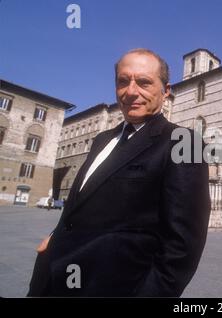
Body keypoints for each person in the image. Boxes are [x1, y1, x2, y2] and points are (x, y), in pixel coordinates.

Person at [27, 48, 211, 297]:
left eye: (144, 82)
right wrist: (55, 235)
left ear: (166, 91)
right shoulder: (102, 139)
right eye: (123, 81)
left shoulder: (183, 142)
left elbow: (182, 248)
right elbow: (80, 202)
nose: (131, 91)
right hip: (51, 279)